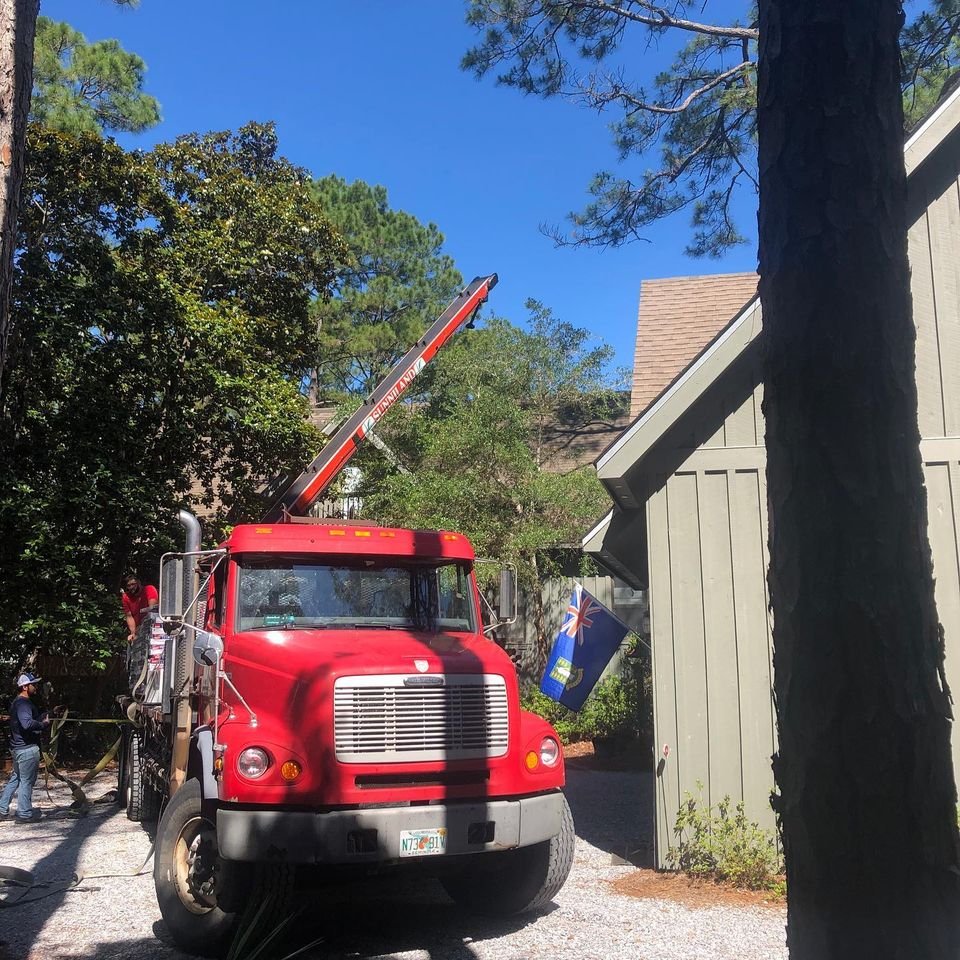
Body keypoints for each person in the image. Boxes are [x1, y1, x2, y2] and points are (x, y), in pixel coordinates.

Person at [0, 672, 50, 823]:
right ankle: (24, 814)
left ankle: (2, 809)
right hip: (27, 749)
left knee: (16, 778)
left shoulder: (17, 703)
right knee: (26, 781)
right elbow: (27, 723)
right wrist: (44, 725)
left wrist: (49, 714)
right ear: (25, 687)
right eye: (34, 684)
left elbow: (27, 720)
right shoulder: (23, 703)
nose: (36, 686)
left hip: (18, 748)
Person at [121, 573, 159, 644]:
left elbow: (153, 610)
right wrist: (133, 633)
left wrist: (142, 627)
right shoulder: (126, 597)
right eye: (128, 586)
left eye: (133, 584)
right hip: (139, 630)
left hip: (152, 626)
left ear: (138, 582)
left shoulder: (149, 589)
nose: (131, 587)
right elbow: (129, 616)